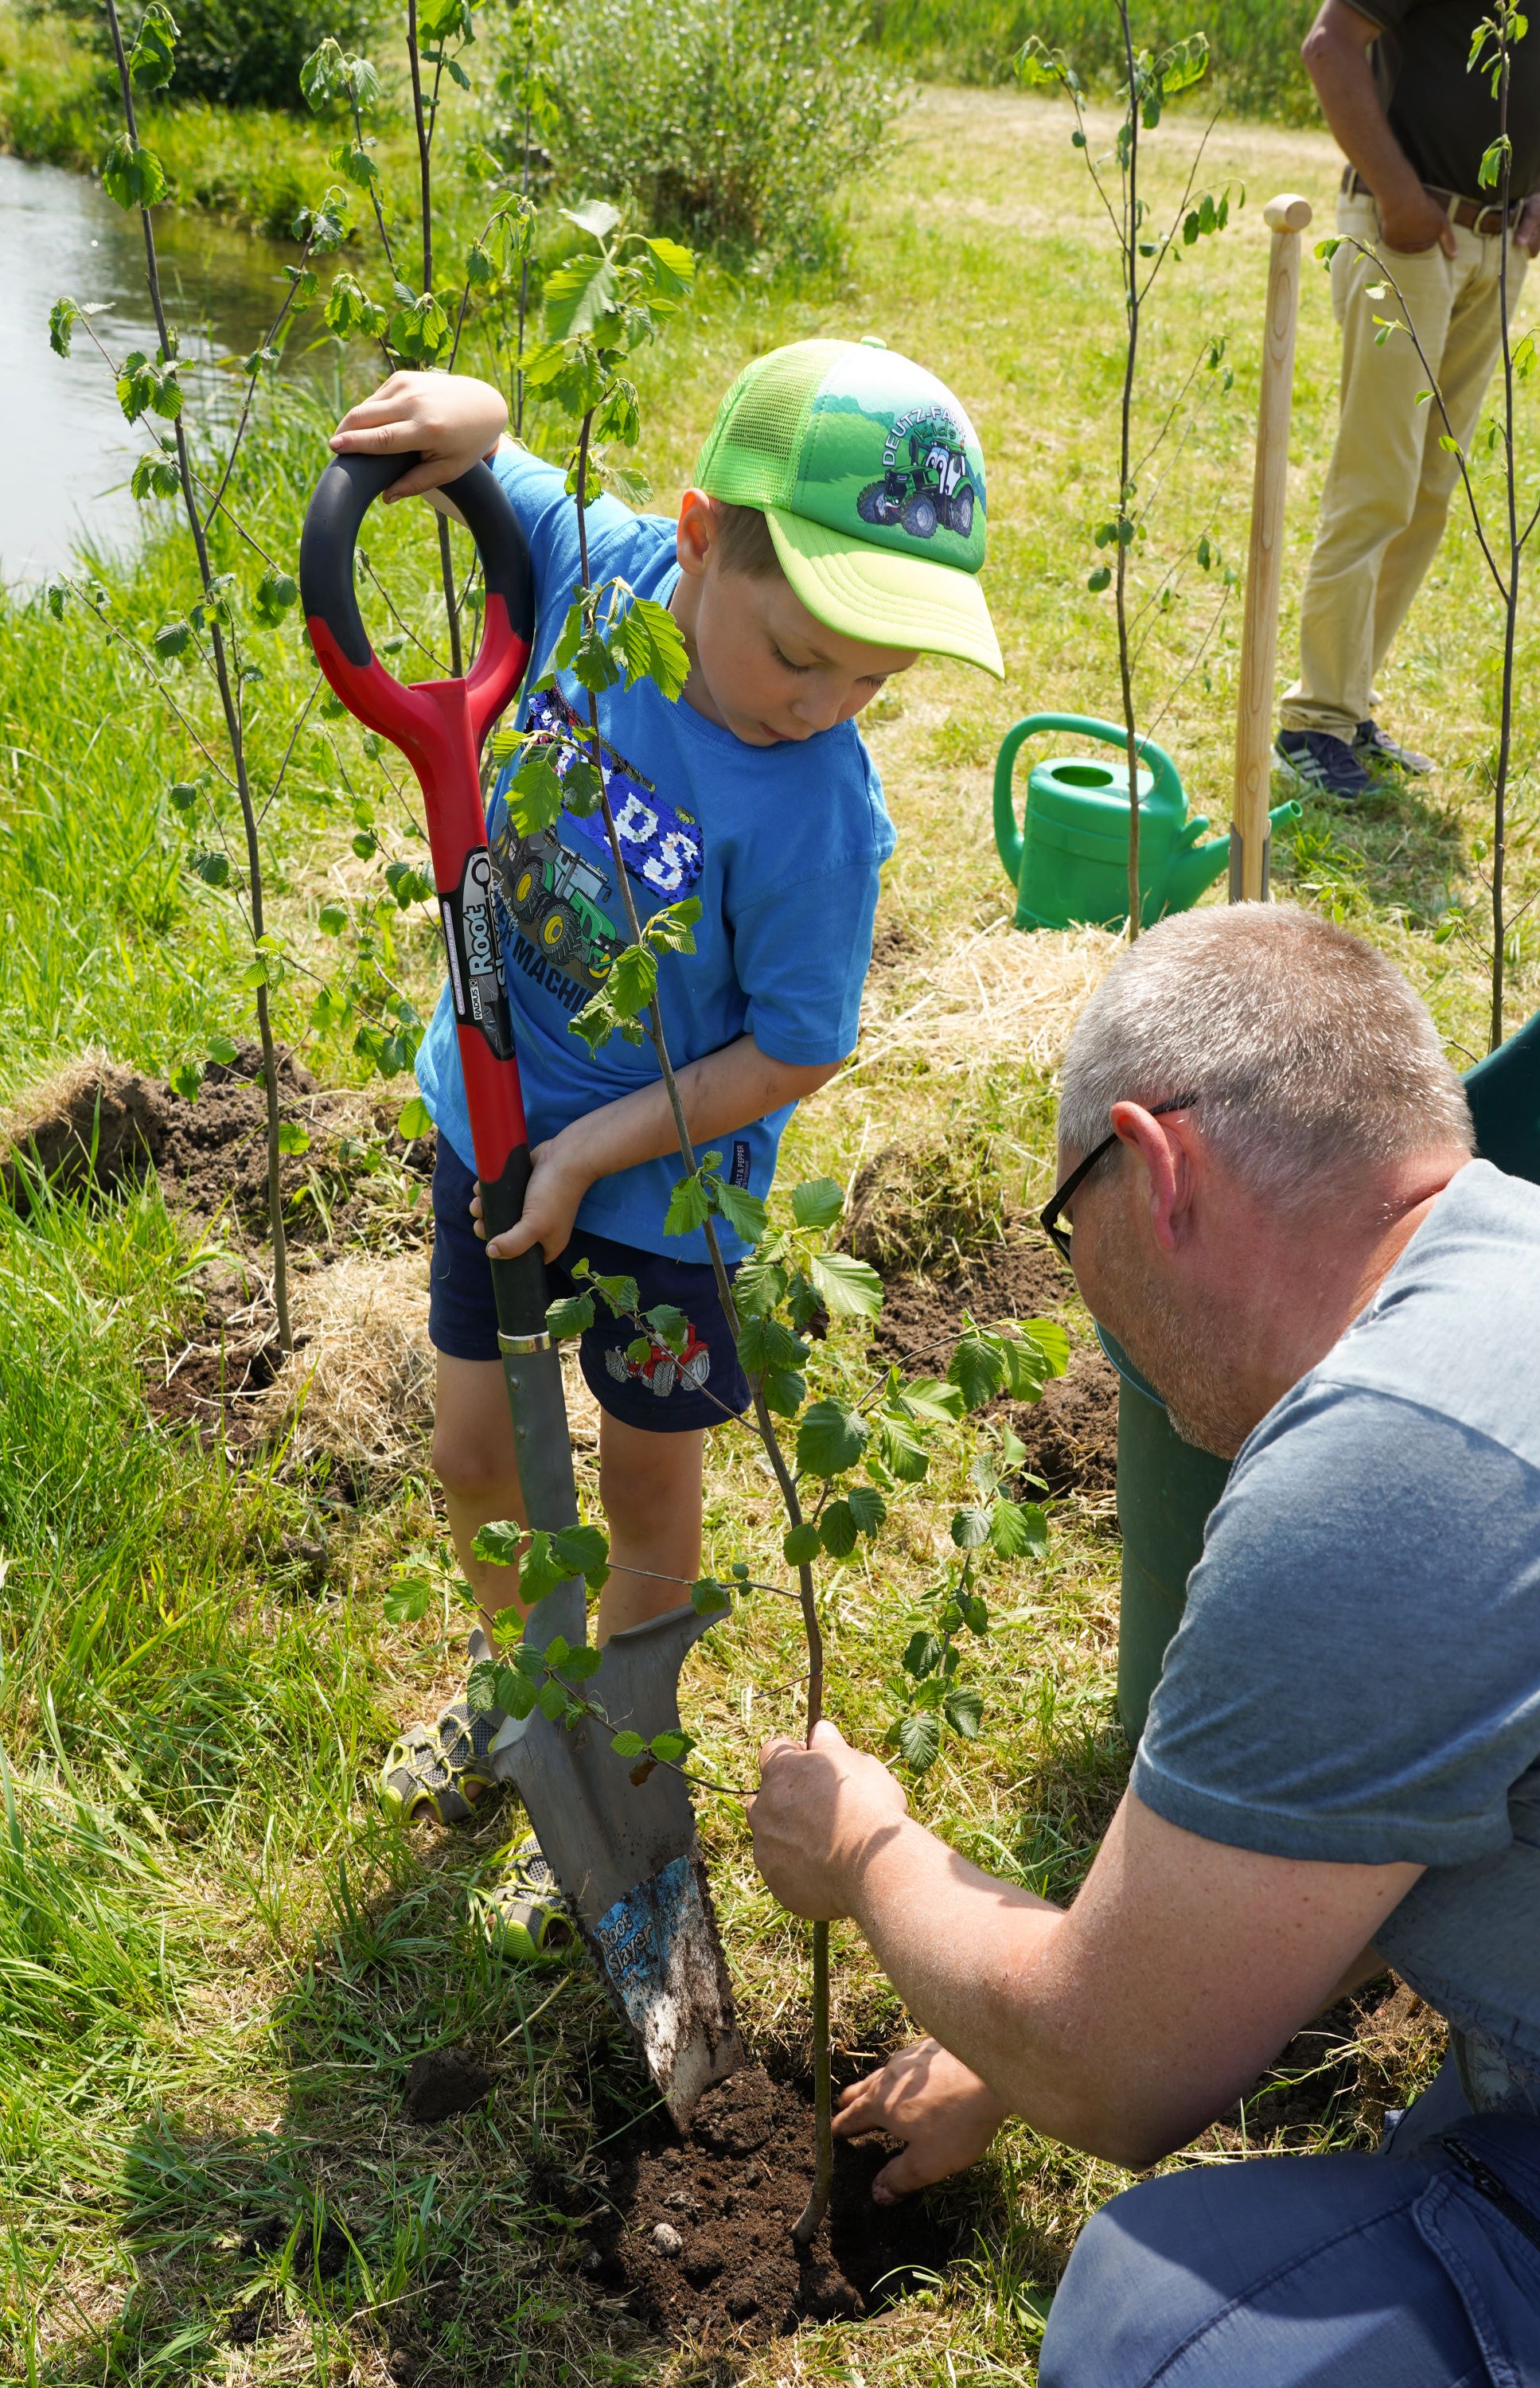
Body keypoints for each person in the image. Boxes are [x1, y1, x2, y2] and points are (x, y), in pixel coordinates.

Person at [748, 904, 1540, 2383]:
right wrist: (1010, 2043)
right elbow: (1386, 1803)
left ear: (1154, 1169)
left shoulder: (1381, 1472)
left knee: (1167, 2327)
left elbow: (1120, 2083)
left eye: (1069, 1222)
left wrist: (869, 1857)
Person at [327, 339, 1004, 1950]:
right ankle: (517, 1704)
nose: (829, 707)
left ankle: (619, 1760)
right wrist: (479, 417)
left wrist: (595, 1154)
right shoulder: (618, 578)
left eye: (869, 684)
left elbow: (798, 1042)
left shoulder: (818, 814)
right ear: (697, 541)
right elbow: (507, 470)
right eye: (798, 658)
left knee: (644, 1499)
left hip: (665, 1194)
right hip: (483, 1117)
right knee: (476, 1459)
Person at [1276, 0, 1540, 802]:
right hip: (1407, 229)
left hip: (1494, 247)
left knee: (1426, 492)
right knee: (1376, 481)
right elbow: (1327, 48)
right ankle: (1309, 722)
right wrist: (1398, 199)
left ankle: (1347, 707)